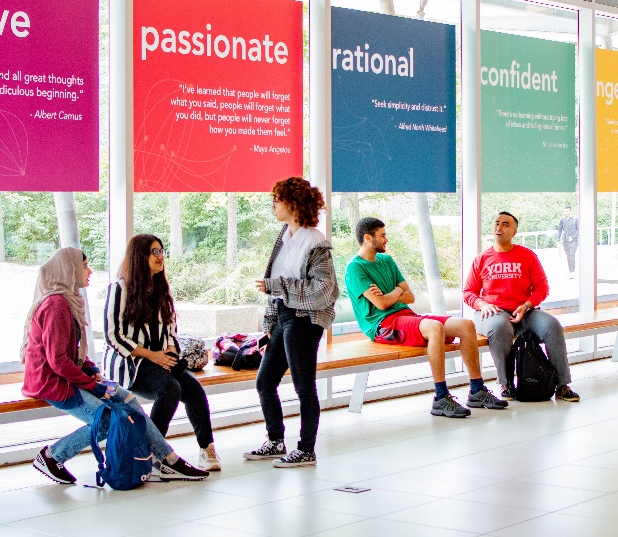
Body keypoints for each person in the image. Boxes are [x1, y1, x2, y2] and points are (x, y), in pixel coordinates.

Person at [23, 247, 206, 484]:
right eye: (85, 266)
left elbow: (74, 352)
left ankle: (168, 459)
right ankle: (53, 456)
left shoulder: (68, 301)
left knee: (128, 401)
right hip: (54, 383)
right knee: (108, 420)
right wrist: (93, 385)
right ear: (69, 270)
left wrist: (93, 371)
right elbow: (58, 361)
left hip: (72, 376)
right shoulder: (56, 305)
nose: (89, 271)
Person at [345, 217, 507, 418]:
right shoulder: (355, 268)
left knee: (466, 325)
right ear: (368, 238)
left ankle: (477, 390)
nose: (386, 239)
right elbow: (382, 305)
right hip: (382, 325)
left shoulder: (386, 260)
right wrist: (397, 292)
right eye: (382, 235)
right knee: (434, 328)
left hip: (405, 316)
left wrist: (391, 293)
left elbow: (410, 297)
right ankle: (440, 397)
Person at [103, 234, 220, 472]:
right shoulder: (119, 289)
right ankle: (152, 452)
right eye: (154, 252)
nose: (160, 257)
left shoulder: (162, 289)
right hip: (132, 363)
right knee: (170, 388)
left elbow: (171, 330)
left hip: (159, 360)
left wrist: (169, 351)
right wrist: (152, 355)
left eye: (161, 251)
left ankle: (206, 448)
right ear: (139, 257)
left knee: (194, 388)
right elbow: (112, 335)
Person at [244, 177, 339, 468]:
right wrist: (268, 326)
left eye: (277, 199)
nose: (273, 204)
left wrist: (278, 286)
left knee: (303, 386)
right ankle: (275, 441)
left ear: (293, 204)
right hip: (285, 317)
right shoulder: (284, 237)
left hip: (305, 319)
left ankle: (306, 449)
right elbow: (276, 290)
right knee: (265, 382)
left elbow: (324, 291)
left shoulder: (316, 242)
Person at [464, 212, 580, 402]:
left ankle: (562, 385)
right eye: (497, 223)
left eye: (505, 224)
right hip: (494, 312)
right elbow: (468, 292)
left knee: (552, 326)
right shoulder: (482, 259)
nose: (499, 227)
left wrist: (527, 305)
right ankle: (506, 384)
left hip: (525, 311)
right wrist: (482, 304)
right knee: (500, 328)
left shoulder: (527, 256)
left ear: (514, 232)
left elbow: (542, 288)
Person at [557, 205, 579, 277]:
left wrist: (572, 237)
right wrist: (558, 239)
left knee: (572, 254)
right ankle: (570, 271)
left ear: (570, 211)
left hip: (573, 240)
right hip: (565, 241)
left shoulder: (575, 219)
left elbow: (579, 230)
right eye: (564, 211)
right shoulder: (562, 219)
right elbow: (559, 230)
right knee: (568, 256)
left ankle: (572, 271)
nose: (565, 213)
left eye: (567, 211)